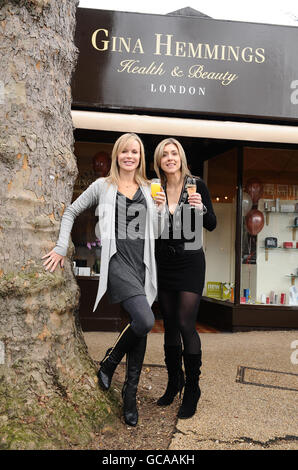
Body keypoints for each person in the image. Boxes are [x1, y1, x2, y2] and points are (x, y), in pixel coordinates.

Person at [42, 133, 165, 427]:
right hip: (118, 263)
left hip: (143, 267)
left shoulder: (150, 189)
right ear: (117, 155)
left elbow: (157, 232)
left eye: (134, 152)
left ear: (140, 157)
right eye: (124, 151)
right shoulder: (102, 186)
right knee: (146, 321)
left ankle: (129, 397)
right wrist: (61, 246)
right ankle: (109, 363)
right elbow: (71, 211)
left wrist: (160, 210)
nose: (129, 156)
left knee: (138, 328)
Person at [153, 138, 216, 419]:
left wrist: (200, 207)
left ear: (181, 157)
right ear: (159, 161)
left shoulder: (196, 184)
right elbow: (146, 229)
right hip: (163, 260)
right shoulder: (156, 188)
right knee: (168, 325)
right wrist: (151, 211)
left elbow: (212, 223)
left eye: (174, 153)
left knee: (185, 323)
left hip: (190, 260)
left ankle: (192, 388)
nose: (170, 158)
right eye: (164, 154)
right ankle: (173, 382)